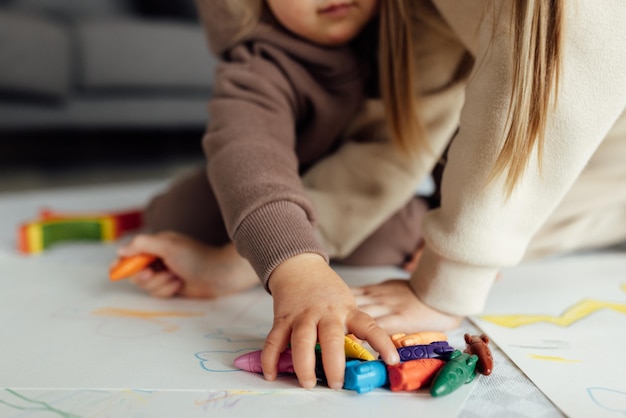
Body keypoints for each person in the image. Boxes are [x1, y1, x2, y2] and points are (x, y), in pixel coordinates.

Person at [117, 0, 626, 390]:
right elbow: (257, 153)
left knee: (408, 230)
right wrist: (292, 267)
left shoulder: (391, 28)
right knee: (184, 211)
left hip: (593, 143)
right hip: (306, 188)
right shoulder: (260, 65)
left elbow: (569, 57)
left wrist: (455, 266)